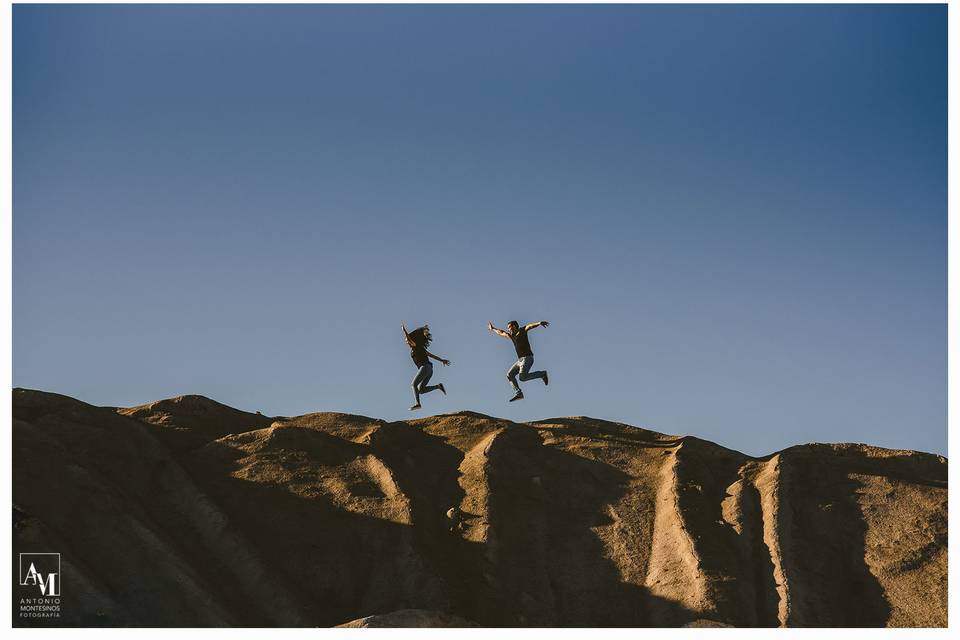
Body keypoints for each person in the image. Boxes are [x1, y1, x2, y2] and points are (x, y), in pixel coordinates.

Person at [487, 320, 549, 402]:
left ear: (514, 326)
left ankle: (542, 374)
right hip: (520, 361)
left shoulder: (522, 331)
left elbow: (529, 326)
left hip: (527, 358)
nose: (509, 330)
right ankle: (518, 393)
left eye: (510, 327)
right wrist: (493, 328)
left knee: (522, 377)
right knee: (509, 375)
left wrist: (539, 323)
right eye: (508, 328)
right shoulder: (511, 336)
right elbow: (501, 332)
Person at [402, 323, 450, 410]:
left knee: (413, 384)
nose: (406, 342)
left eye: (407, 341)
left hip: (425, 367)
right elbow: (431, 355)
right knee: (421, 390)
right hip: (429, 369)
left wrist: (404, 331)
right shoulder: (420, 348)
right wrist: (442, 360)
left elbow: (409, 338)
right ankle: (438, 386)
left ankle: (417, 404)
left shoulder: (415, 346)